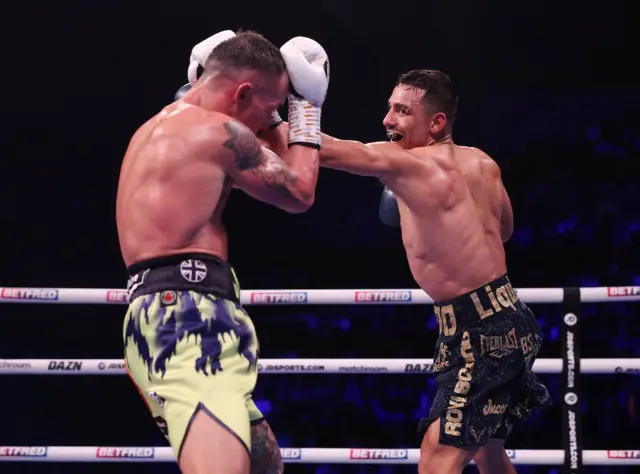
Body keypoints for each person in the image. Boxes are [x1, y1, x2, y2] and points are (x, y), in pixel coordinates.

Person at [272, 68, 550, 473]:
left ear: (436, 122)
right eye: (389, 108)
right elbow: (504, 230)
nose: (387, 120)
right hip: (510, 319)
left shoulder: (406, 165)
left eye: (402, 111)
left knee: (437, 456)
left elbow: (320, 149)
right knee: (488, 452)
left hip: (480, 334)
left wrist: (295, 106)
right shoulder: (484, 163)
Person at [116, 30, 330, 474]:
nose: (271, 122)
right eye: (270, 109)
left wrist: (264, 110)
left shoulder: (156, 128)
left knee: (263, 464)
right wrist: (307, 107)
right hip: (189, 324)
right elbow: (300, 192)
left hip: (168, 316)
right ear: (244, 91)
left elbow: (265, 144)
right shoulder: (217, 132)